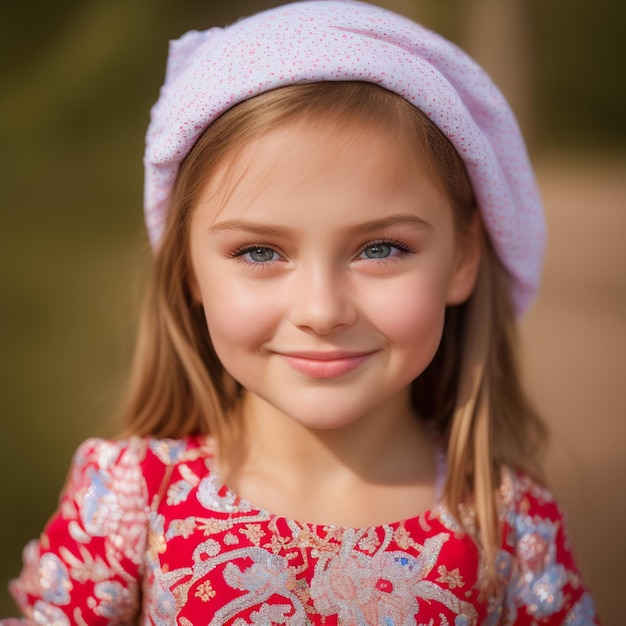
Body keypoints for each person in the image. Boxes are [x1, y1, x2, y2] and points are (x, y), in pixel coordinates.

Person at [2, 1, 599, 624]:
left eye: (381, 248)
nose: (321, 310)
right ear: (188, 267)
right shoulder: (132, 501)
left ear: (461, 258)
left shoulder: (510, 531)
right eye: (259, 251)